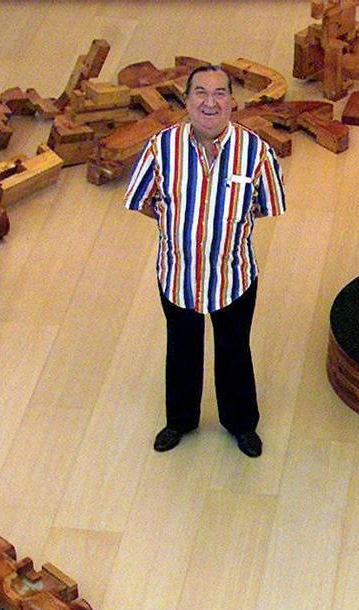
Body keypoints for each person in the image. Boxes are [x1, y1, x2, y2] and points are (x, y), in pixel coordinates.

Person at [124, 64, 286, 457]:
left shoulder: (257, 153)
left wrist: (223, 229)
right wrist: (174, 225)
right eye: (200, 92)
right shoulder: (160, 148)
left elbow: (265, 206)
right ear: (187, 100)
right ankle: (179, 420)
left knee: (234, 352)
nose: (209, 102)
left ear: (233, 102)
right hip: (177, 275)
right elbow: (140, 199)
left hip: (234, 278)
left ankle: (241, 424)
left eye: (219, 93)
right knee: (181, 350)